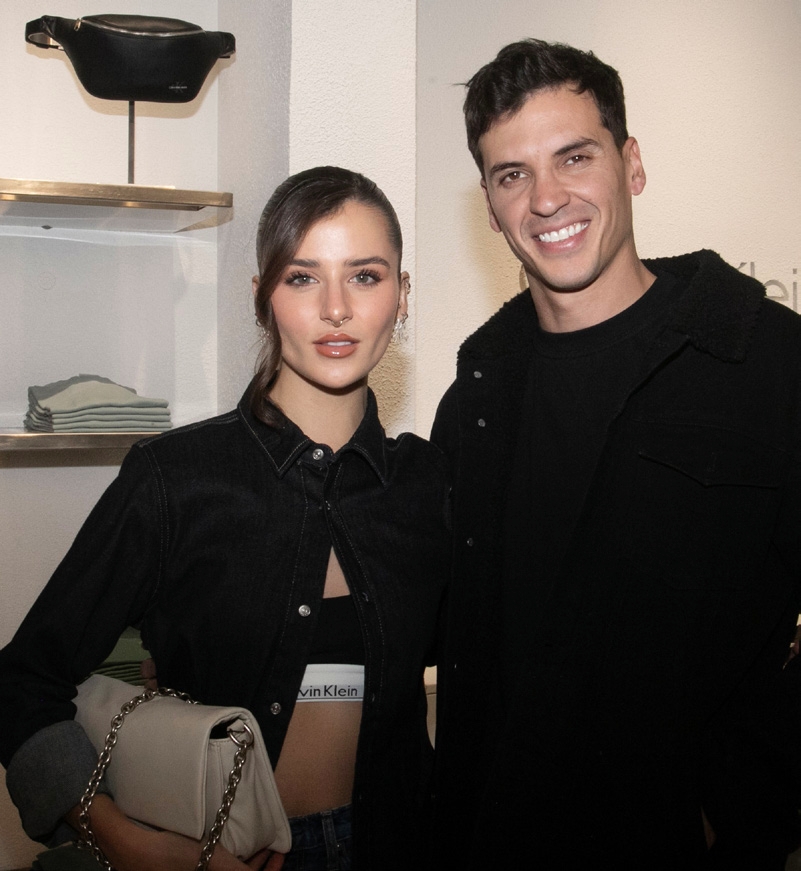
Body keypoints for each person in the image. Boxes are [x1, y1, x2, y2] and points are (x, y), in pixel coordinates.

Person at [0, 166, 450, 871]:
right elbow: (22, 681)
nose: (336, 308)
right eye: (302, 278)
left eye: (365, 276)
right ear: (262, 297)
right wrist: (124, 838)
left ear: (402, 294)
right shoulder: (174, 480)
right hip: (218, 854)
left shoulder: (427, 484)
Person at [430, 38, 801, 870]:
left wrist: (752, 790)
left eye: (574, 157)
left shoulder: (768, 362)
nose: (545, 198)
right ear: (488, 205)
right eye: (511, 174)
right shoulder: (477, 397)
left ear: (631, 164)